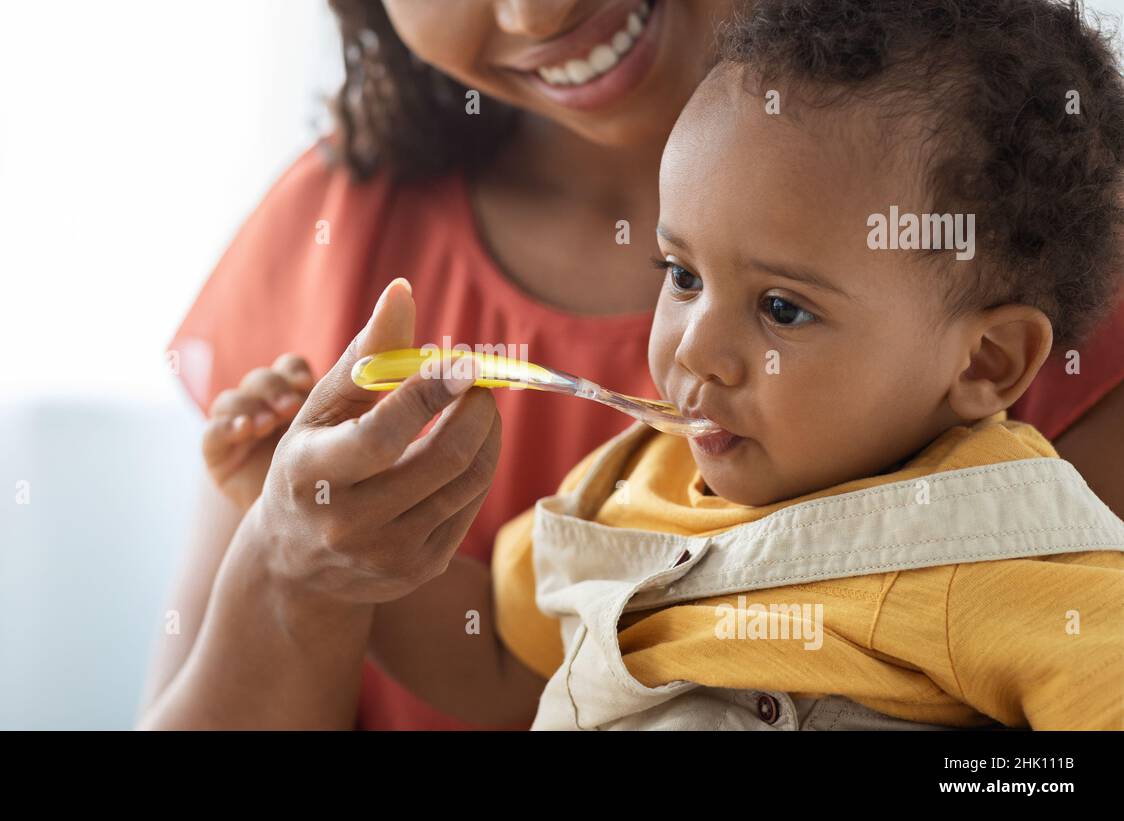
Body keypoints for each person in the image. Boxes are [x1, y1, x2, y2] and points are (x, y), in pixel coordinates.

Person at [139, 0, 1124, 730]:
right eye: (678, 273)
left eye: (782, 308)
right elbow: (497, 649)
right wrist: (316, 540)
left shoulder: (1005, 553)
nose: (691, 348)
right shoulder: (627, 492)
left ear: (989, 360)